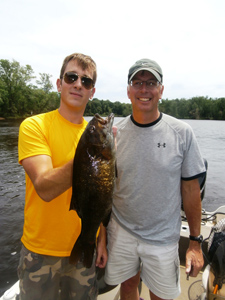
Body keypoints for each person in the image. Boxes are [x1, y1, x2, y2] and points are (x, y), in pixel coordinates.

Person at [104, 58, 206, 300]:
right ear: (129, 91)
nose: (144, 89)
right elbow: (104, 188)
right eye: (137, 82)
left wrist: (194, 242)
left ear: (161, 90)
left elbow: (192, 192)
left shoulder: (182, 133)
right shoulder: (114, 134)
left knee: (160, 296)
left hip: (162, 237)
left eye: (151, 82)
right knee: (128, 287)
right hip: (121, 231)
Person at [17, 53, 107, 300]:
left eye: (86, 81)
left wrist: (102, 241)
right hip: (40, 252)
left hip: (85, 249)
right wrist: (89, 155)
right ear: (59, 84)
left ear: (92, 91)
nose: (78, 84)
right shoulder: (35, 126)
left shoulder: (95, 136)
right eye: (71, 77)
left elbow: (101, 195)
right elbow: (45, 188)